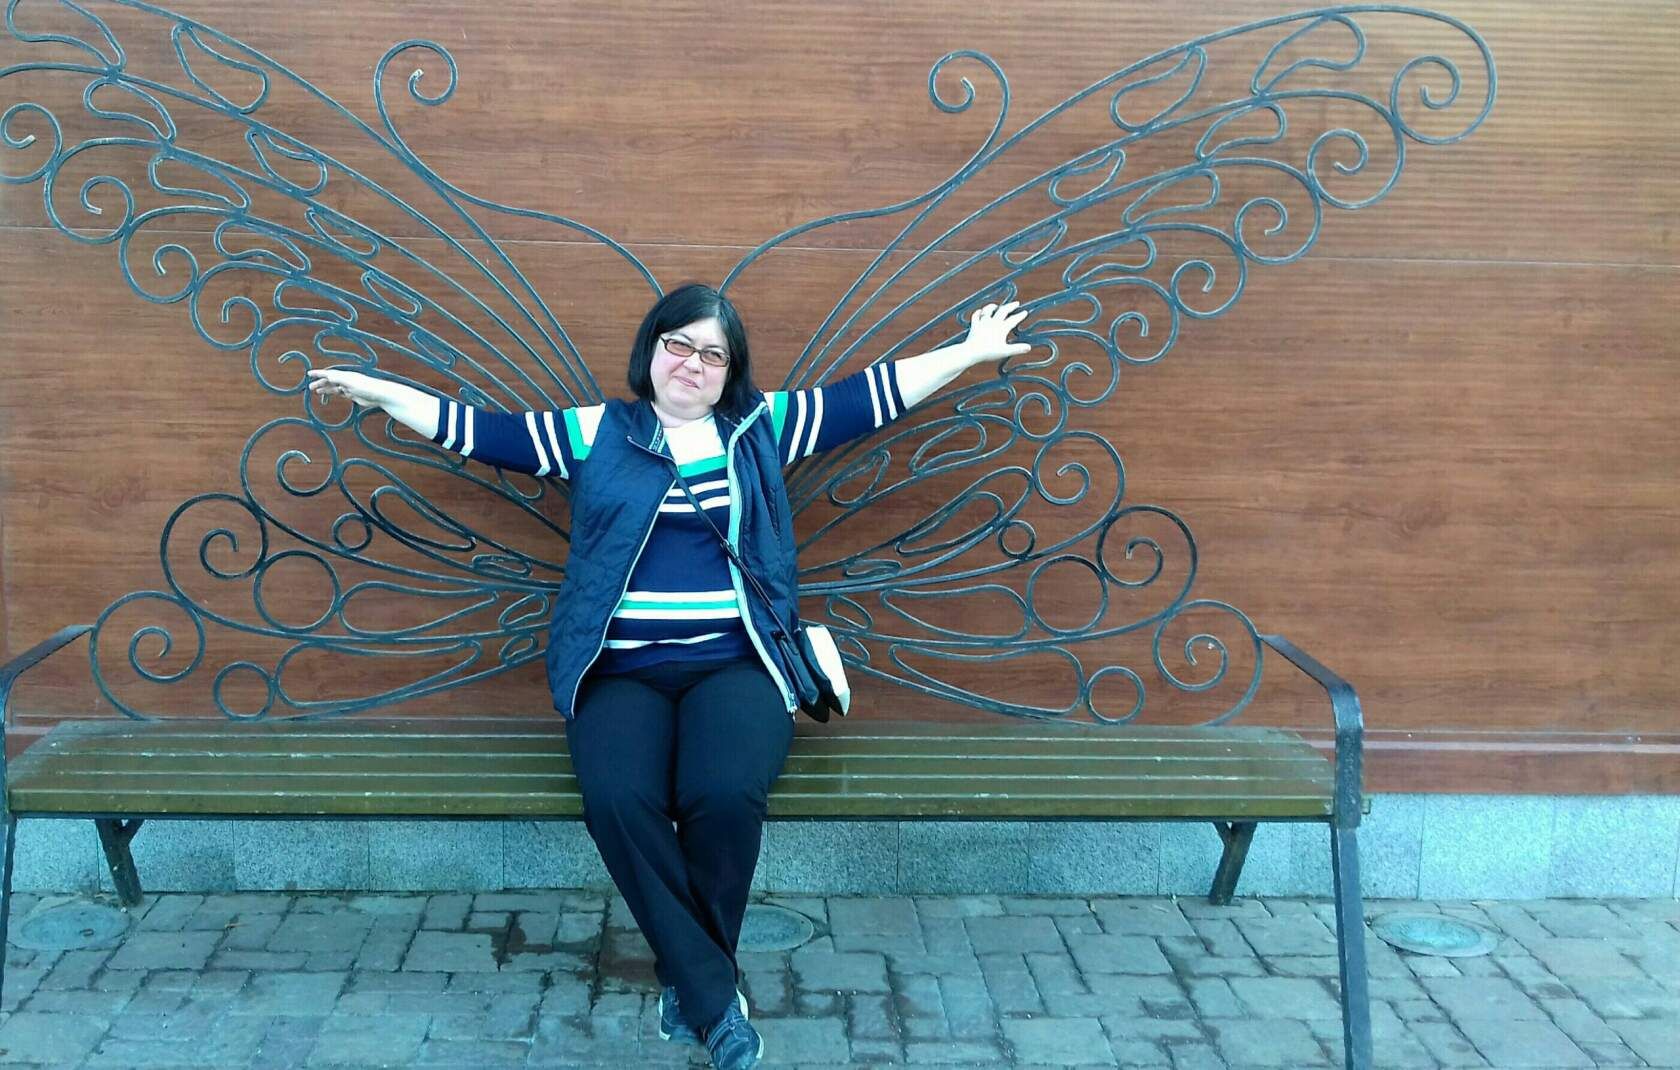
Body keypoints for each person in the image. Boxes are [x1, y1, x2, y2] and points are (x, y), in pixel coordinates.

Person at [306, 283, 1031, 1070]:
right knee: (618, 798)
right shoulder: (598, 432)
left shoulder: (758, 427)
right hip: (621, 670)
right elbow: (479, 433)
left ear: (730, 371)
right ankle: (714, 997)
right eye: (679, 344)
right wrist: (384, 393)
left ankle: (696, 992)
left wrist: (969, 351)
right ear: (652, 349)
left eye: (713, 353)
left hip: (737, 665)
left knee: (723, 792)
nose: (693, 362)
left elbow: (871, 398)